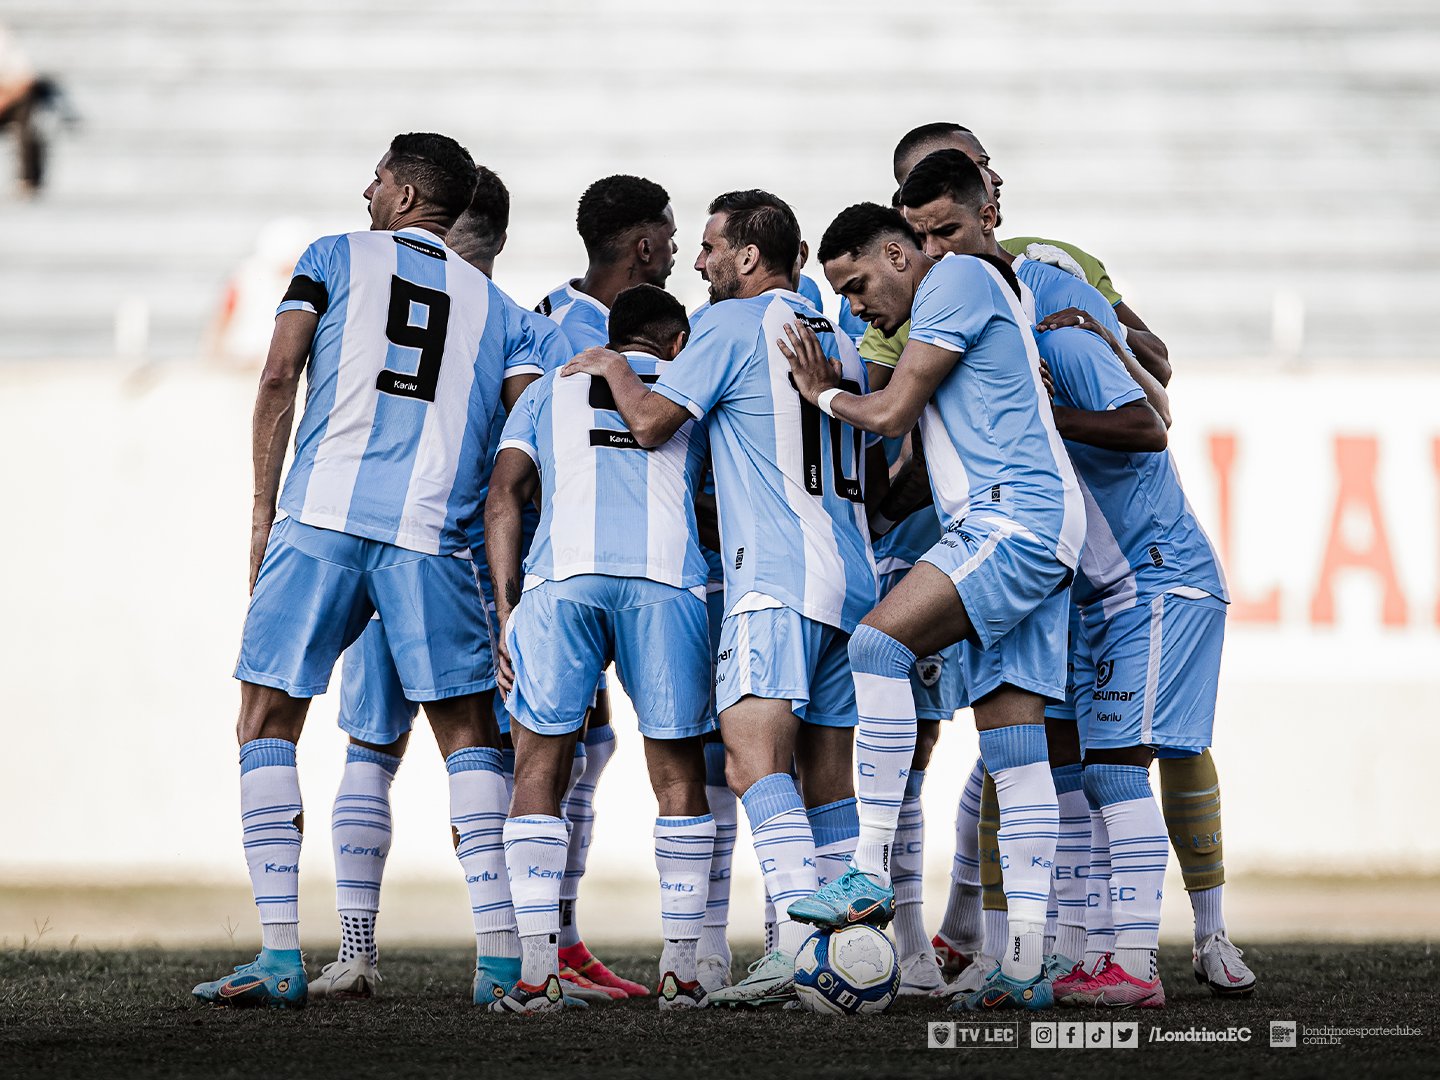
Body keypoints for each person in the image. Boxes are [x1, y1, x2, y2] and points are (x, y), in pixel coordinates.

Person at [191, 133, 531, 1009]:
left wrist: (263, 514)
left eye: (378, 176)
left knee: (267, 715)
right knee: (468, 738)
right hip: (430, 534)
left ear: (408, 194)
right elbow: (527, 443)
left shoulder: (331, 255)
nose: (367, 188)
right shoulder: (503, 311)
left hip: (324, 518)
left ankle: (278, 957)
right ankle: (502, 967)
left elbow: (276, 377)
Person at [561, 189, 876, 1009]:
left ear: (746, 257)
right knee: (826, 780)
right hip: (853, 579)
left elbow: (654, 425)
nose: (697, 261)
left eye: (708, 247)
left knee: (745, 760)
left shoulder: (731, 327)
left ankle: (802, 950)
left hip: (773, 576)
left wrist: (614, 365)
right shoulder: (831, 333)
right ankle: (853, 957)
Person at [782, 202, 1084, 1012]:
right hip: (1033, 525)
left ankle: (866, 876)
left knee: (876, 646)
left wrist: (822, 393)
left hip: (1012, 520)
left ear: (897, 251)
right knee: (1017, 750)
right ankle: (1023, 962)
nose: (855, 307)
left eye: (857, 285)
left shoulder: (951, 276)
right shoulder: (971, 296)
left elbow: (887, 414)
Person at [307, 165, 591, 1006]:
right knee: (479, 748)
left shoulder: (372, 295)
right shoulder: (516, 325)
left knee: (369, 746)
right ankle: (500, 959)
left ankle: (356, 951)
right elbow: (525, 469)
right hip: (460, 559)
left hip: (364, 532)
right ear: (496, 234)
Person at [486, 284, 714, 1013]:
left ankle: (534, 974)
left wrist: (506, 608)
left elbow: (503, 494)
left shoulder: (551, 388)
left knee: (540, 764)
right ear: (677, 340)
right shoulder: (691, 390)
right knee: (677, 772)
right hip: (667, 583)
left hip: (562, 581)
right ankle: (681, 972)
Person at [525, 173, 679, 999]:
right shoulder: (580, 333)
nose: (682, 256)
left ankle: (559, 942)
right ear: (646, 246)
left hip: (580, 571)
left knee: (590, 745)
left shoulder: (546, 316)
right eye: (674, 240)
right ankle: (541, 946)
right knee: (559, 751)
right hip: (591, 569)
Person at [0, 24, 42, 194]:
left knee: (26, 118)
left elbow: (26, 79)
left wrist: (5, 99)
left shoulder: (4, 41)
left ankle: (28, 178)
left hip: (12, 101)